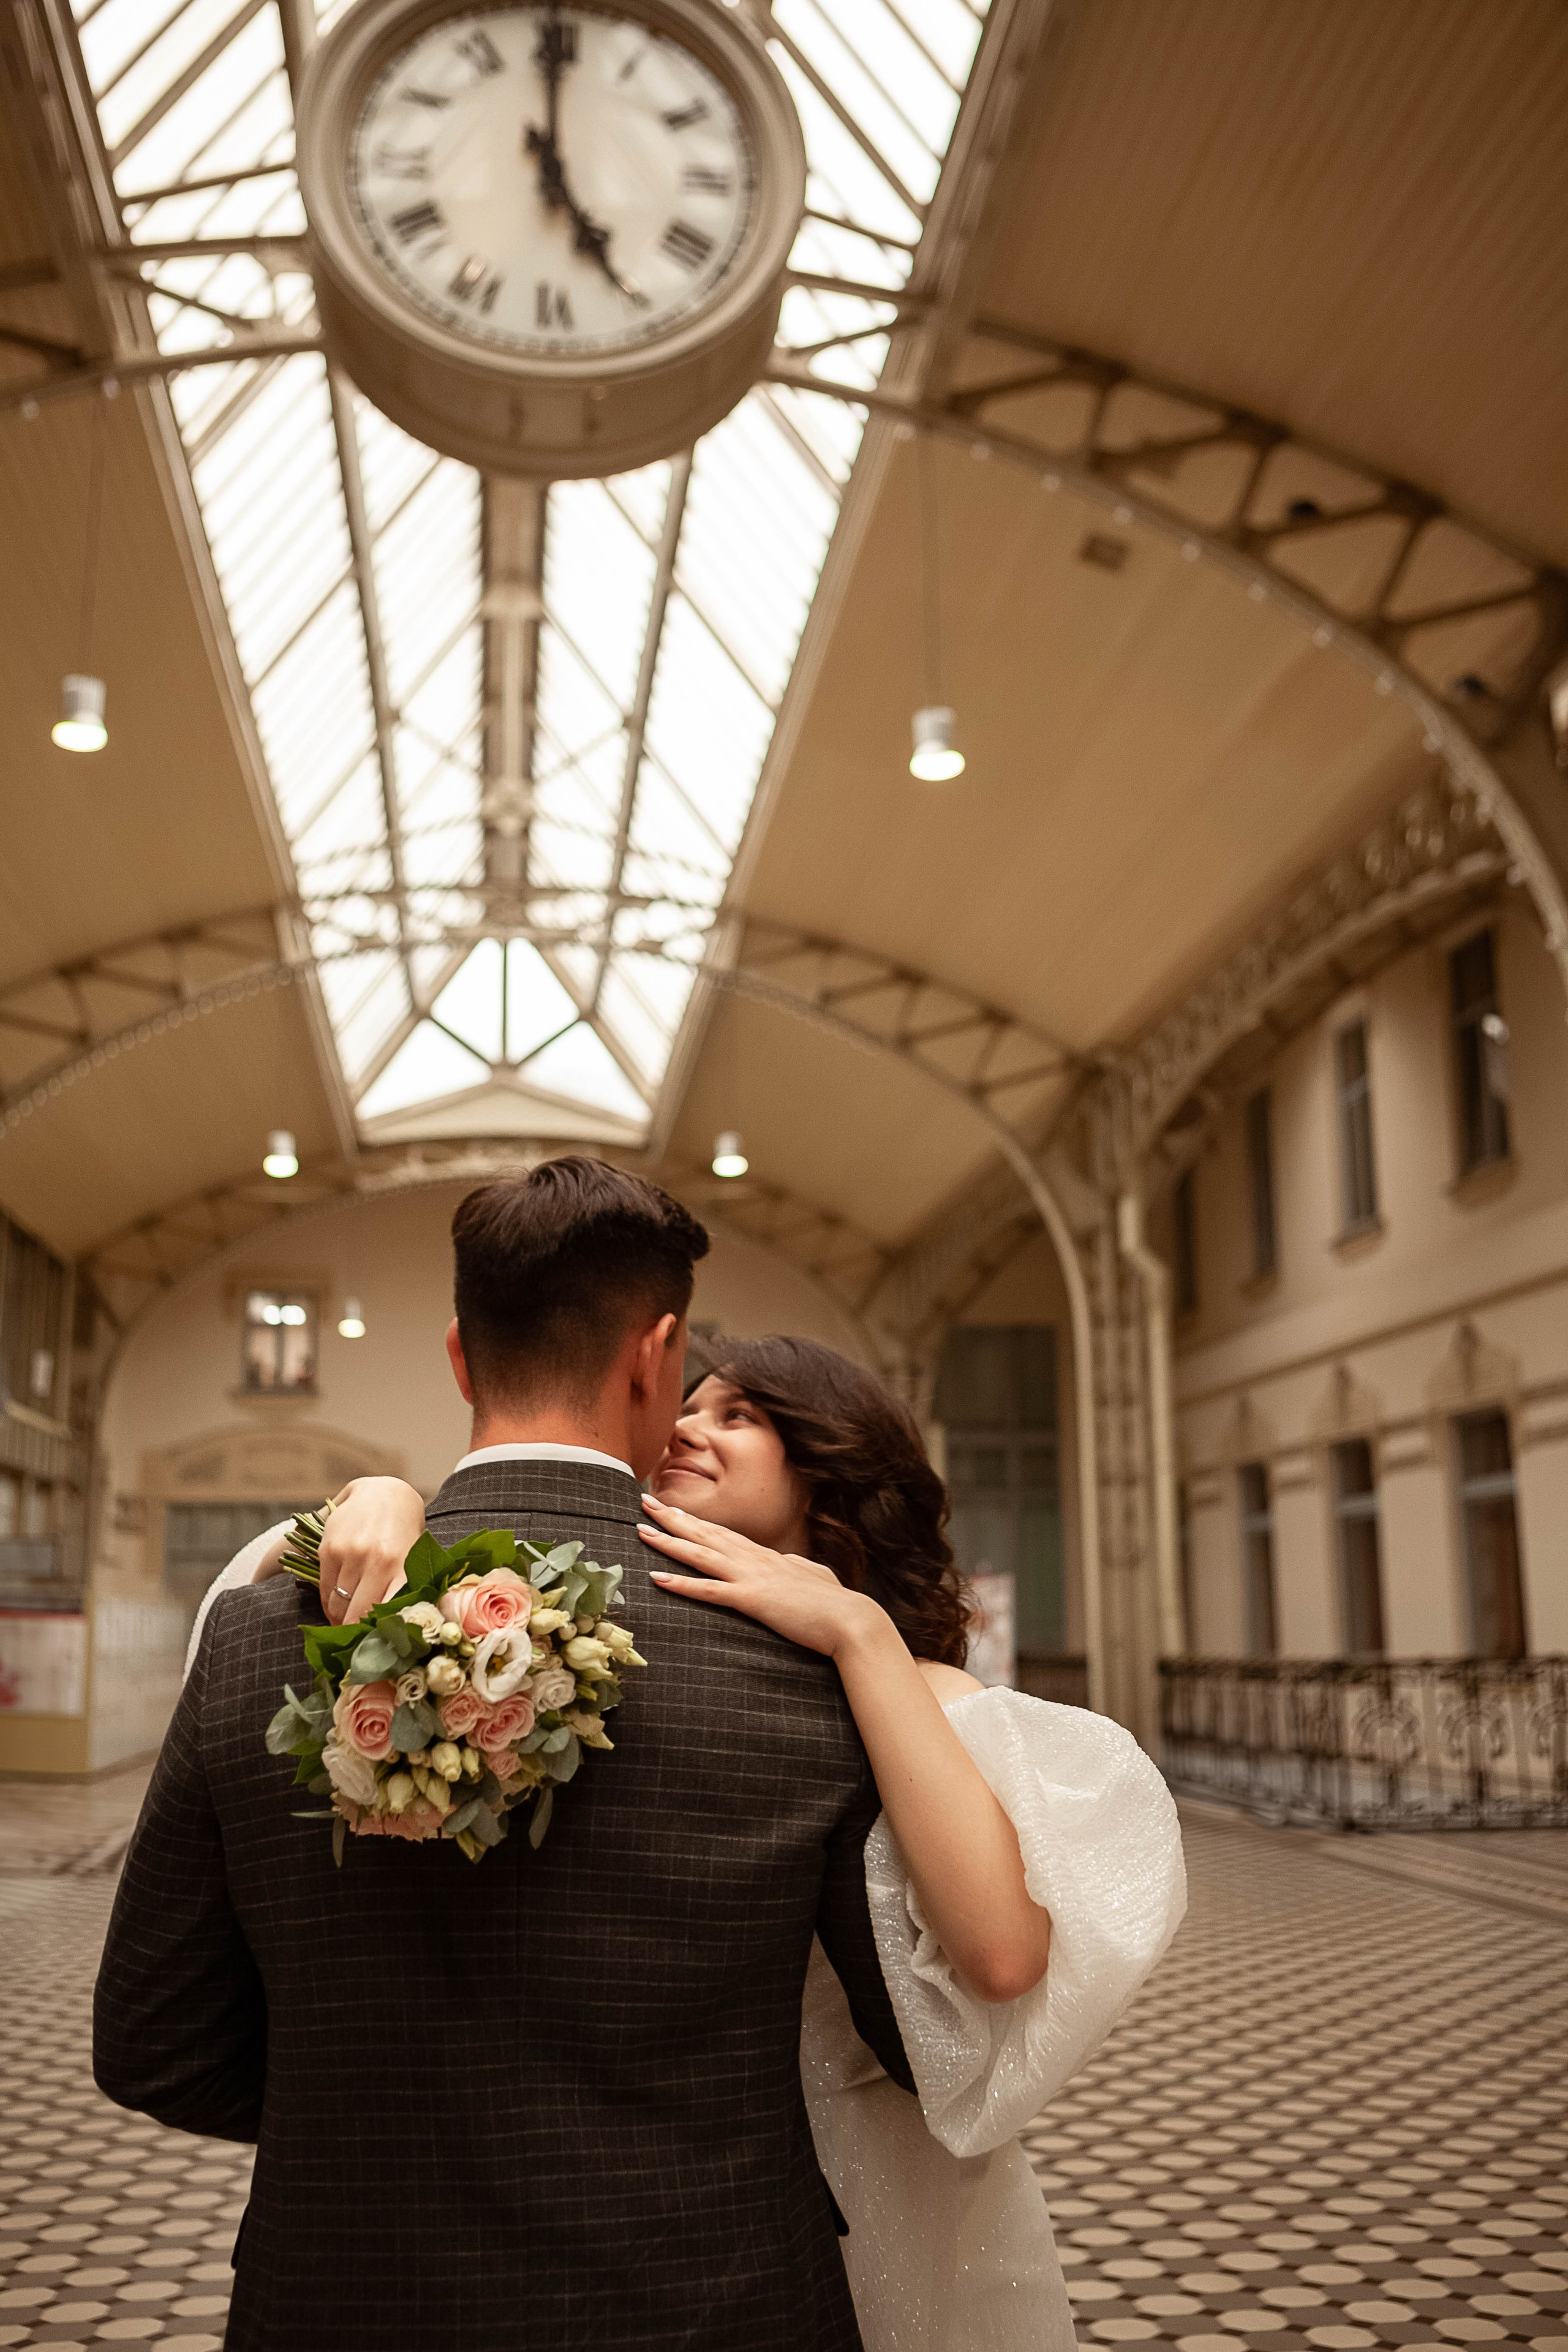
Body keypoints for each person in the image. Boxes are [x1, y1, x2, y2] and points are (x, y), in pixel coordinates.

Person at [92, 1158, 929, 2352]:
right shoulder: (800, 1655)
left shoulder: (260, 1633)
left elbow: (153, 2047)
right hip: (713, 2299)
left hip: (343, 2296)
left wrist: (362, 2126)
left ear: (455, 1354)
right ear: (656, 1355)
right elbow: (906, 2037)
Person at [217, 1328, 1187, 2351]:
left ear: (830, 1471)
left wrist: (856, 1630)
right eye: (691, 1405)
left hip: (870, 2183)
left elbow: (1000, 1956)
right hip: (644, 2184)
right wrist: (383, 1497)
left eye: (741, 1416)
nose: (689, 1427)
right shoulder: (608, 1639)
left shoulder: (921, 1696)